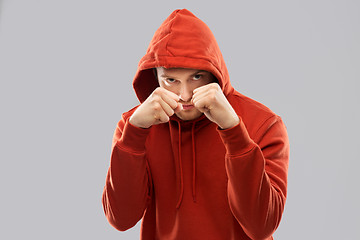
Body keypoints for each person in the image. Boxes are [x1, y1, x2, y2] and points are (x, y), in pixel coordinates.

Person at [102, 9, 289, 240]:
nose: (185, 94)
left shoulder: (263, 123)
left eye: (197, 77)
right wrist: (134, 134)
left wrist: (232, 130)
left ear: (215, 72)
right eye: (171, 80)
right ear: (155, 78)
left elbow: (262, 226)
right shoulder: (134, 126)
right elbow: (121, 219)